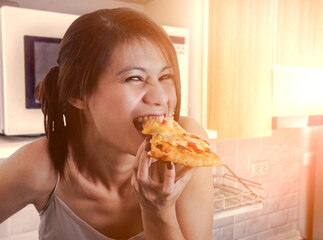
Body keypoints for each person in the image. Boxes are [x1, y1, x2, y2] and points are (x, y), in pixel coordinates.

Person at [0, 8, 213, 240]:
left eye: (165, 77)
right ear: (78, 94)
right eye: (134, 78)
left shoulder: (187, 149)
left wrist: (158, 210)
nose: (161, 98)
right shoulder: (42, 165)